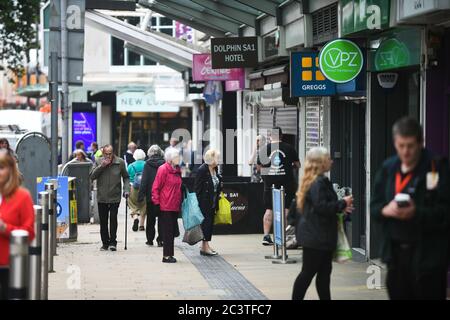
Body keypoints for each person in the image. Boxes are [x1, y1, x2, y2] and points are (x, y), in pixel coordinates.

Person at [370, 117, 450, 300]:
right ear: (395, 142)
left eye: (410, 146)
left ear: (421, 143)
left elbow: (445, 212)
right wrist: (385, 210)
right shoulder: (388, 168)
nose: (405, 151)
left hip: (428, 257)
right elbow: (374, 205)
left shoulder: (436, 167)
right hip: (396, 255)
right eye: (401, 145)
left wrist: (416, 212)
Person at [291, 147, 353, 300]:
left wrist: (341, 208)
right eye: (328, 158)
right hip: (317, 237)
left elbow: (319, 207)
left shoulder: (317, 181)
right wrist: (342, 203)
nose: (331, 161)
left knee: (323, 274)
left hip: (319, 235)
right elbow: (321, 207)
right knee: (309, 273)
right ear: (320, 162)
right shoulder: (318, 183)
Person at [0, 150, 35, 300]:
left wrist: (5, 228)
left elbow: (29, 232)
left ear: (11, 170)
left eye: (1, 167)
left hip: (11, 267)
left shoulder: (22, 196)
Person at [257, 127, 300, 246]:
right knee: (286, 209)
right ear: (281, 136)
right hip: (287, 183)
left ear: (271, 136)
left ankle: (266, 236)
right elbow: (298, 164)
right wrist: (288, 168)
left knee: (269, 209)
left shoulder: (264, 149)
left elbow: (259, 168)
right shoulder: (289, 148)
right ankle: (284, 236)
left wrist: (269, 173)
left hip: (269, 184)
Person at [90, 145, 130, 252]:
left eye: (110, 153)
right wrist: (101, 166)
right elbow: (92, 176)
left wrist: (126, 189)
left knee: (113, 219)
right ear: (103, 153)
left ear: (113, 152)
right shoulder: (98, 161)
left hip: (114, 196)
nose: (108, 156)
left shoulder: (120, 162)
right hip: (102, 197)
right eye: (106, 154)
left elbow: (126, 177)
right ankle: (105, 243)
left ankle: (113, 242)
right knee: (103, 221)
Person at [152, 148, 182, 263]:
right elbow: (156, 187)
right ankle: (166, 256)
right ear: (169, 159)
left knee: (172, 231)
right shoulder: (163, 169)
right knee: (168, 232)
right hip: (165, 205)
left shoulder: (177, 169)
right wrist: (157, 203)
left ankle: (170, 254)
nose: (178, 159)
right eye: (176, 157)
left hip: (174, 204)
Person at [195, 149, 223, 256]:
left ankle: (205, 246)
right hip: (204, 203)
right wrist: (199, 204)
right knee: (206, 224)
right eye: (218, 157)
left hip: (213, 202)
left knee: (209, 224)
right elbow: (197, 188)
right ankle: (205, 247)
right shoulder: (202, 170)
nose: (219, 159)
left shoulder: (215, 168)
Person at [138, 145, 165, 247]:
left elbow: (144, 181)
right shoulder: (164, 164)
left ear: (149, 154)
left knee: (151, 219)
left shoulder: (147, 164)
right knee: (162, 219)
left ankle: (150, 239)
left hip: (151, 196)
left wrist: (141, 196)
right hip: (162, 196)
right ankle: (160, 240)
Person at [127, 149, 147, 232]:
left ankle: (135, 217)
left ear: (134, 156)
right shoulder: (146, 164)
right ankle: (142, 225)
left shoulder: (130, 166)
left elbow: (126, 178)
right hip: (144, 188)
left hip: (133, 188)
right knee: (144, 205)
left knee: (132, 204)